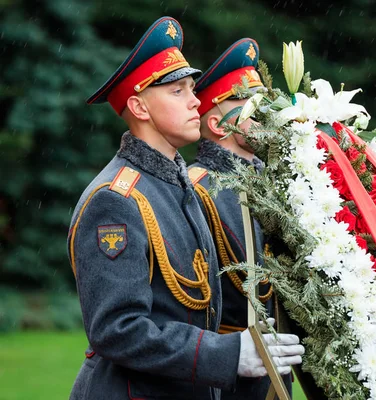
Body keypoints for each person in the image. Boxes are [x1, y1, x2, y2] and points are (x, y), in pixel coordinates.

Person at [67, 17, 303, 400]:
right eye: (178, 91)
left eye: (192, 89)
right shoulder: (116, 198)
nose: (195, 100)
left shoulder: (171, 183)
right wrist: (226, 353)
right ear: (139, 107)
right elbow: (117, 329)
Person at [189, 37, 292, 399]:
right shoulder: (197, 188)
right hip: (227, 375)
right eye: (249, 101)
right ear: (218, 124)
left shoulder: (277, 185)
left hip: (277, 367)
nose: (265, 110)